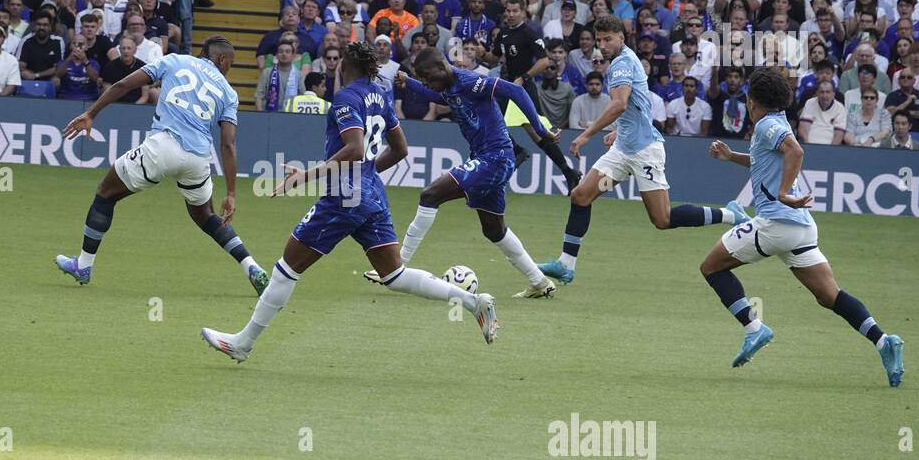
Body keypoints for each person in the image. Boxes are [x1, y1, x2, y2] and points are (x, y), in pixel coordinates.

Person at [200, 41, 497, 363]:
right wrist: (367, 175)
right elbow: (400, 150)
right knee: (394, 274)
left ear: (345, 64)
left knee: (287, 269)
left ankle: (243, 343)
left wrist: (308, 175)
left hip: (344, 198)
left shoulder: (345, 98)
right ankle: (472, 302)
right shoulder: (381, 96)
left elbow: (354, 148)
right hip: (373, 194)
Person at [700, 68, 904, 386]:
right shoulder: (776, 121)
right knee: (830, 296)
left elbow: (795, 151)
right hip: (801, 228)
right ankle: (884, 341)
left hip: (776, 223)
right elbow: (766, 159)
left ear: (752, 101)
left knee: (711, 267)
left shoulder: (767, 124)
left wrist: (782, 193)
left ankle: (754, 329)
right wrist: (731, 157)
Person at [538, 17, 748, 286]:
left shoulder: (623, 63)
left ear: (621, 38)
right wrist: (620, 131)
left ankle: (730, 214)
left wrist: (586, 134)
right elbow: (639, 103)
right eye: (598, 40)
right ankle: (566, 264)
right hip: (623, 151)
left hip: (645, 153)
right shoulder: (623, 61)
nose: (602, 45)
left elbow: (620, 104)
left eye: (607, 39)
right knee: (581, 195)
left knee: (662, 219)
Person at [55, 36, 269, 294]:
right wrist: (232, 193)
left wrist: (91, 113)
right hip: (198, 159)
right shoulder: (228, 92)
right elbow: (228, 144)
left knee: (105, 193)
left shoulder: (175, 60)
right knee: (207, 217)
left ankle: (84, 265)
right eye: (230, 63)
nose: (229, 68)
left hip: (162, 147)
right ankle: (252, 267)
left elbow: (123, 84)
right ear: (221, 59)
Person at [368, 47, 558, 300]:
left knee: (430, 195)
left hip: (495, 157)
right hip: (487, 158)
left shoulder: (469, 81)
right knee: (493, 229)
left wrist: (539, 129)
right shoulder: (447, 86)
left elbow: (516, 90)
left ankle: (396, 266)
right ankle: (540, 282)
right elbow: (436, 96)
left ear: (440, 66)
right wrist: (411, 83)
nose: (426, 81)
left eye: (426, 76)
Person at [487, 0, 582, 190]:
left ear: (523, 13)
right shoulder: (503, 33)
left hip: (523, 88)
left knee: (539, 134)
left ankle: (568, 172)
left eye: (515, 11)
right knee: (492, 120)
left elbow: (544, 61)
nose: (511, 15)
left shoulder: (529, 33)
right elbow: (493, 58)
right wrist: (482, 52)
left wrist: (524, 77)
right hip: (509, 87)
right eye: (508, 11)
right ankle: (520, 152)